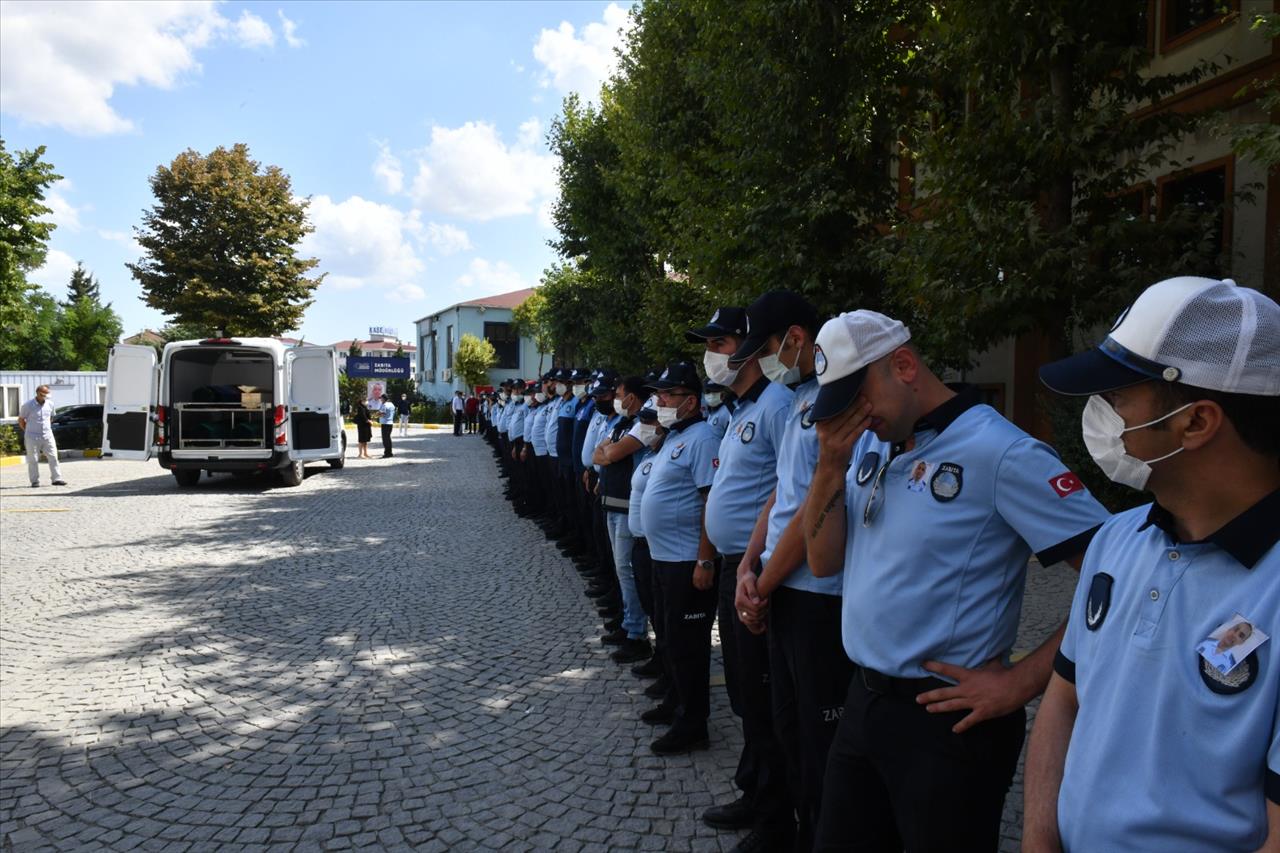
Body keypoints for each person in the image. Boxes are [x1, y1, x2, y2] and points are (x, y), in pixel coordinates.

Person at [803, 309, 1110, 851]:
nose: (854, 417)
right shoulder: (870, 446)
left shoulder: (1002, 451)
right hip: (864, 702)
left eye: (858, 398)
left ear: (902, 364)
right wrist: (829, 468)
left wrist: (1024, 681)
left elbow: (1115, 575)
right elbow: (824, 562)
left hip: (947, 723)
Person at [1025, 276, 1280, 852]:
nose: (1101, 415)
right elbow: (1065, 699)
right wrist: (1038, 840)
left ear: (1196, 421)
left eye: (1116, 397)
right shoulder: (1117, 540)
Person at [730, 291, 867, 853]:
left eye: (764, 349)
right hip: (781, 587)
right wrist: (748, 561)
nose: (761, 362)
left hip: (818, 595)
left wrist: (760, 583)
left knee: (820, 743)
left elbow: (814, 506)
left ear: (795, 337)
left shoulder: (838, 404)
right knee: (787, 730)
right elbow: (780, 497)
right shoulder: (800, 400)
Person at [690, 304, 796, 851]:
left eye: (721, 342)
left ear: (751, 348)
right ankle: (755, 788)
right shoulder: (739, 409)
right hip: (738, 563)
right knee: (745, 694)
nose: (712, 354)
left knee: (762, 695)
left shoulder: (779, 405)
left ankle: (776, 820)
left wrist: (755, 565)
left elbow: (789, 492)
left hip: (760, 570)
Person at [639, 361, 722, 755]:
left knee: (689, 645)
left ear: (690, 401)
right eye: (658, 394)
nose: (659, 401)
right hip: (663, 557)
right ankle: (676, 701)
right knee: (670, 638)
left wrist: (705, 560)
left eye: (667, 395)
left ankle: (694, 723)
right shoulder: (674, 435)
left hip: (687, 560)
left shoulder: (704, 438)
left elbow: (711, 503)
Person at [592, 375, 653, 665]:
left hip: (628, 508)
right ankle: (628, 623)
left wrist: (608, 454)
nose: (616, 398)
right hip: (612, 505)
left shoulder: (642, 423)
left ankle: (636, 633)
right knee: (621, 570)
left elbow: (613, 452)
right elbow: (597, 454)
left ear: (633, 397)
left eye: (619, 393)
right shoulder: (622, 424)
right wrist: (607, 454)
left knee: (627, 572)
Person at [19, 384, 66, 487]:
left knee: (53, 456)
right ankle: (35, 481)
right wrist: (28, 430)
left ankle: (56, 479)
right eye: (43, 395)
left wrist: (46, 428)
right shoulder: (27, 405)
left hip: (47, 435)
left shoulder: (50, 404)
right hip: (32, 436)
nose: (45, 397)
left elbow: (50, 418)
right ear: (38, 393)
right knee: (33, 459)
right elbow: (21, 420)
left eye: (47, 394)